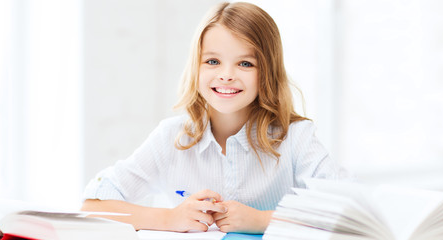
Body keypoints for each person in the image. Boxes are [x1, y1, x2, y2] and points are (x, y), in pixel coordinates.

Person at [81, 1, 349, 234]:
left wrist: (261, 220)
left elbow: (347, 208)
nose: (226, 75)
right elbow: (94, 205)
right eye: (212, 61)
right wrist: (170, 218)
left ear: (267, 71)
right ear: (196, 65)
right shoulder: (171, 138)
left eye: (245, 63)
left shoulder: (295, 138)